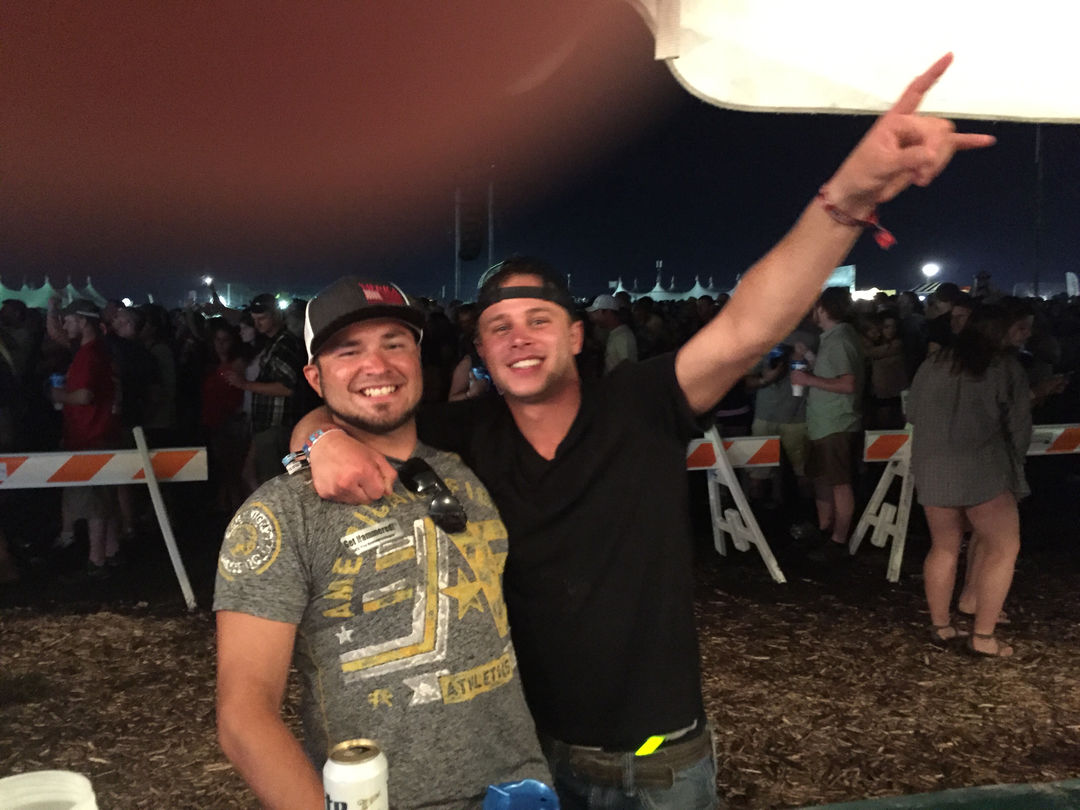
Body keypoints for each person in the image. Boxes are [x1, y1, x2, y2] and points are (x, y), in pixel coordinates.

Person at [294, 55, 994, 808]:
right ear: (482, 353)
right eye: (498, 327)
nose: (519, 338)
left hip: (658, 761)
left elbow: (750, 324)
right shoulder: (460, 433)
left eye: (539, 320)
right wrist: (315, 440)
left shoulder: (641, 403)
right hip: (528, 753)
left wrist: (849, 194)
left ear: (576, 336)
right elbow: (350, 409)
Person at [214, 277, 551, 810]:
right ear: (314, 377)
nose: (376, 365)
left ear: (418, 360)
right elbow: (243, 716)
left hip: (520, 791)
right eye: (348, 351)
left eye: (394, 344)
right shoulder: (280, 513)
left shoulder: (467, 468)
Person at [906, 304, 1030, 657]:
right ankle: (984, 636)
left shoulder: (934, 363)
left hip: (933, 466)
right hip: (984, 468)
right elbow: (1019, 427)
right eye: (1021, 328)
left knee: (943, 546)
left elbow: (912, 412)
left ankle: (942, 626)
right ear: (1001, 331)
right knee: (1003, 548)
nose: (1027, 335)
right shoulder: (1005, 368)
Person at [50, 299, 122, 577]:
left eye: (68, 320)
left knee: (93, 503)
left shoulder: (88, 355)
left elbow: (84, 395)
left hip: (89, 434)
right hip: (100, 432)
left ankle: (96, 560)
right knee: (104, 497)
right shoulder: (97, 351)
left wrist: (57, 394)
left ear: (82, 321)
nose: (65, 325)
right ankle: (111, 552)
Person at [790, 287, 864, 555]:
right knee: (822, 478)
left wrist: (807, 379)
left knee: (839, 483)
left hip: (836, 423)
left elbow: (847, 384)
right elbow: (833, 372)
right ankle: (825, 528)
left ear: (823, 308)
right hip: (823, 423)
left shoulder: (840, 340)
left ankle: (838, 540)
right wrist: (810, 359)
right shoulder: (834, 338)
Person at [225, 293, 304, 485]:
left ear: (276, 315)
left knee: (273, 481)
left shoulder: (284, 344)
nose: (257, 324)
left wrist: (245, 384)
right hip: (268, 426)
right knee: (255, 474)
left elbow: (287, 388)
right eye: (254, 320)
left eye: (262, 319)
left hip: (276, 428)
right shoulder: (273, 342)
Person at [587, 293, 638, 374]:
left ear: (608, 312)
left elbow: (628, 366)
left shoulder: (623, 336)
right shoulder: (615, 333)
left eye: (596, 312)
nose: (593, 317)